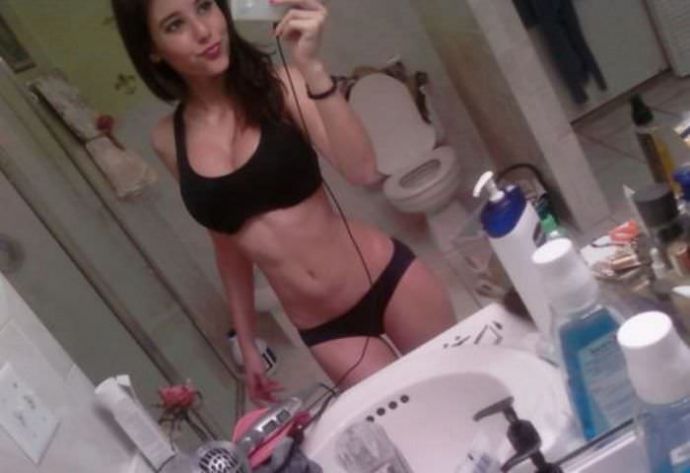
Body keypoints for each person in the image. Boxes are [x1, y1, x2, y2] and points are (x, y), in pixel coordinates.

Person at [111, 0, 455, 404]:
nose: (202, 30)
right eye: (175, 25)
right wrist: (247, 340)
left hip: (385, 278)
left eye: (204, 6)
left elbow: (362, 171)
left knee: (464, 392)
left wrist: (312, 68)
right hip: (328, 329)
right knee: (410, 421)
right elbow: (226, 245)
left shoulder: (282, 85)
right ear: (152, 49)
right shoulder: (168, 139)